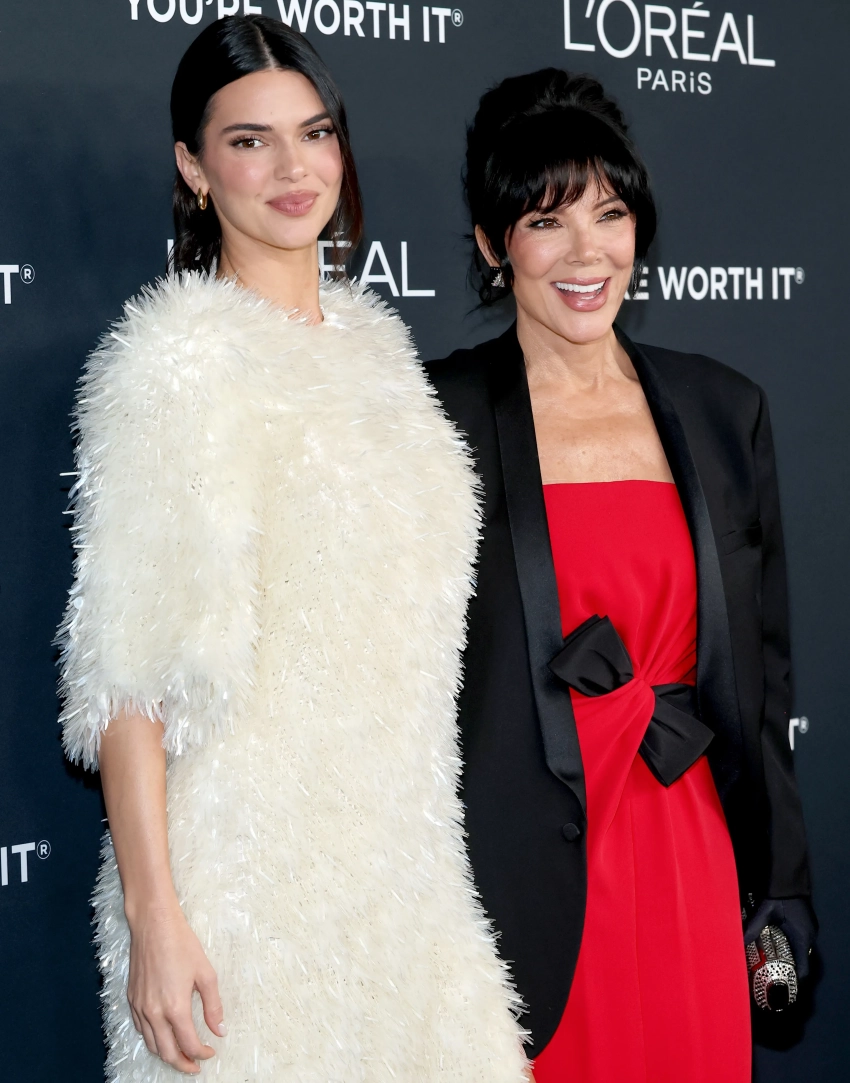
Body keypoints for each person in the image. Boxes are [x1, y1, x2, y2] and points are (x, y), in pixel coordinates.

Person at [56, 16, 528, 1082]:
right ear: (193, 167)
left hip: (403, 885)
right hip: (241, 899)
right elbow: (128, 683)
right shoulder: (177, 364)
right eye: (248, 140)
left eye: (313, 134)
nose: (292, 168)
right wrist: (155, 921)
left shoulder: (378, 350)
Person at [426, 68, 817, 1082]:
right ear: (492, 245)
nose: (585, 253)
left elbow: (764, 679)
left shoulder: (725, 412)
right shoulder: (434, 418)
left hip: (688, 850)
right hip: (512, 876)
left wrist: (781, 882)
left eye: (609, 214)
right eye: (545, 222)